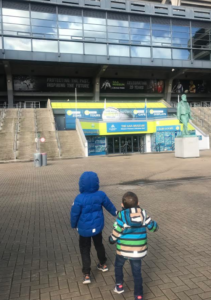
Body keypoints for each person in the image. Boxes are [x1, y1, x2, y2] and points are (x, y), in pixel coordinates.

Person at [109, 192, 158, 300]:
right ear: (138, 203)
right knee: (137, 273)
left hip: (123, 250)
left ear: (122, 205)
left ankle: (119, 286)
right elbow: (152, 227)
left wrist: (111, 239)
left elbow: (117, 230)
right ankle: (139, 295)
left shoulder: (121, 216)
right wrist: (155, 225)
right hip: (138, 251)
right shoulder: (143, 213)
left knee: (118, 266)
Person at [70, 171, 117, 284]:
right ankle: (103, 264)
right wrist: (116, 213)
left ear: (81, 184)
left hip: (84, 229)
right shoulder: (101, 195)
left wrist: (73, 224)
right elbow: (109, 205)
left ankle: (87, 274)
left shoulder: (79, 198)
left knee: (85, 249)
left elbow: (74, 213)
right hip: (97, 227)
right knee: (99, 245)